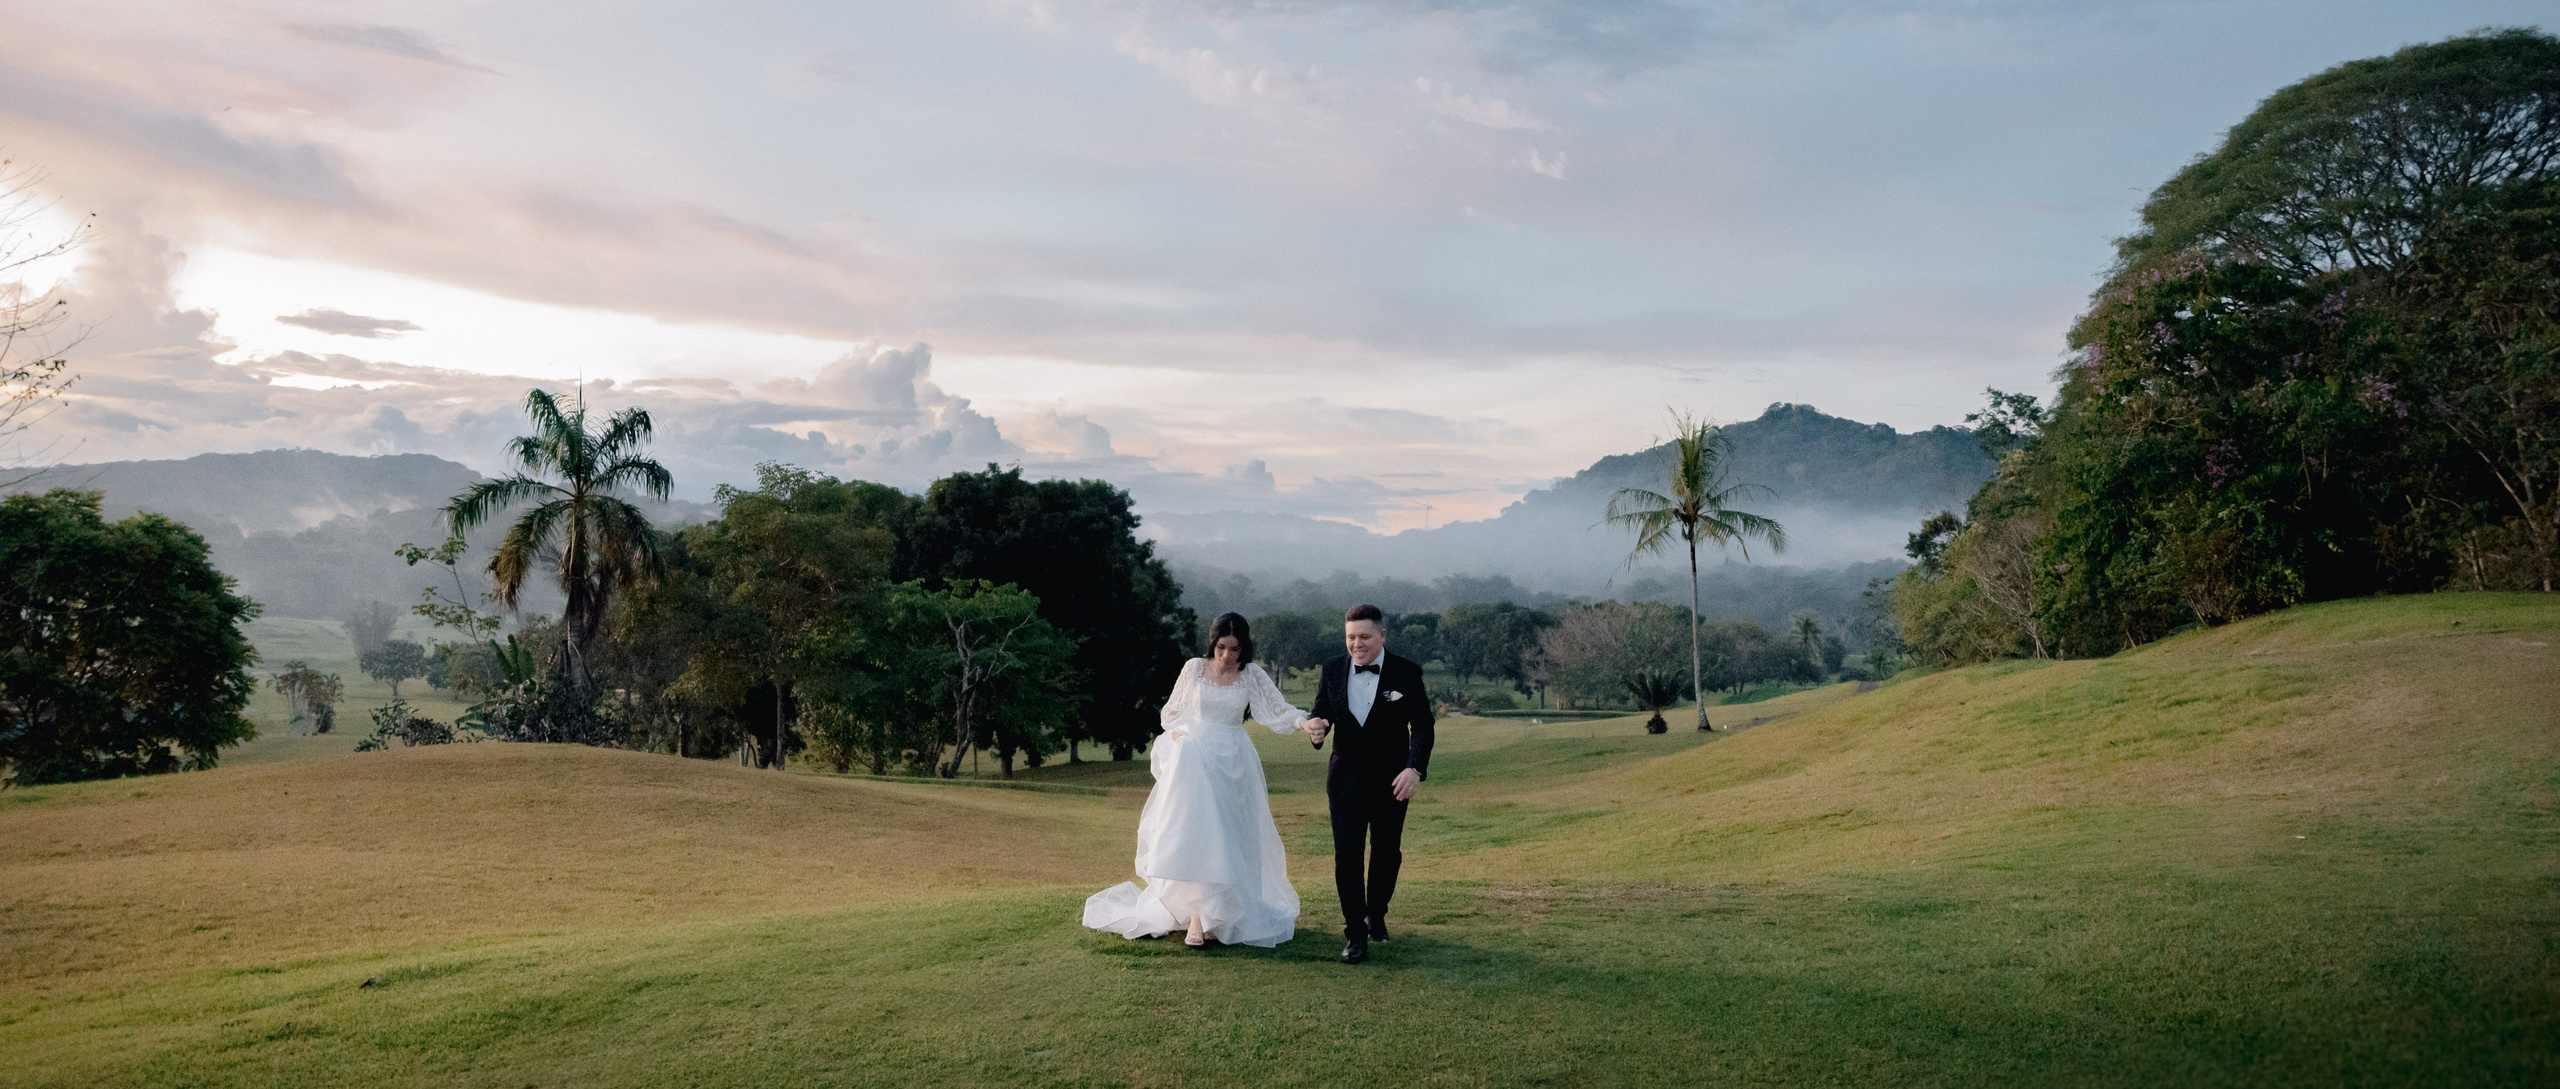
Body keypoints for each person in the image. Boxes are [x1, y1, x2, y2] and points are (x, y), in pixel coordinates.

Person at [1082, 612, 1321, 948]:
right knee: (1198, 835)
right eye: (1222, 647)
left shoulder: (1251, 674)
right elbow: (1172, 713)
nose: (1227, 656)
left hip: (1234, 762)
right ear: (1212, 644)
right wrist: (1179, 735)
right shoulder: (1194, 668)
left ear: (1244, 648)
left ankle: (1221, 914)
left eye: (1235, 649)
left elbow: (1277, 710)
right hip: (1195, 760)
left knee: (1232, 837)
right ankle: (1197, 916)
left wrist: (1304, 723)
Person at [1302, 602, 1433, 965]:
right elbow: (1321, 715)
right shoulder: (1331, 670)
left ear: (1381, 635)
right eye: (1350, 637)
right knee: (1346, 856)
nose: (1356, 644)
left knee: (1387, 852)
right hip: (1344, 781)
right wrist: (1316, 730)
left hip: (1393, 781)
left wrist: (1414, 769)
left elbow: (1422, 726)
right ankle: (1355, 934)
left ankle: (1377, 912)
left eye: (1364, 636)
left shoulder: (1406, 673)